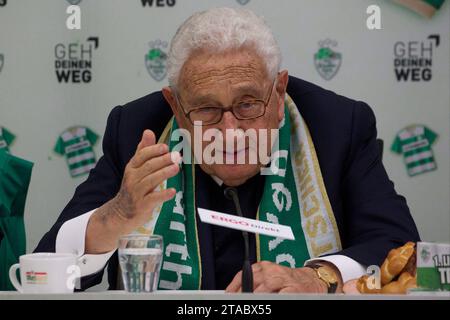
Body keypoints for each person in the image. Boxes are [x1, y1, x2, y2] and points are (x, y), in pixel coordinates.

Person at [35, 7, 420, 293]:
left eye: (248, 103)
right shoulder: (139, 130)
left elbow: (400, 249)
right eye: (206, 109)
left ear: (279, 90)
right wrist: (115, 217)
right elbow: (44, 271)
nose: (232, 132)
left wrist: (318, 277)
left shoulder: (336, 125)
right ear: (175, 106)